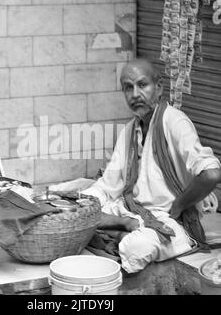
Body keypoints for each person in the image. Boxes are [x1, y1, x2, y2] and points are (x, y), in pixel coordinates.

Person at [83, 58, 221, 273]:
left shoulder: (174, 121)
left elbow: (211, 174)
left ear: (159, 88)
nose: (135, 94)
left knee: (137, 247)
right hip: (133, 212)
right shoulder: (130, 130)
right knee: (83, 214)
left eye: (142, 85)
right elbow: (108, 185)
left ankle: (118, 234)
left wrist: (179, 206)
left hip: (170, 220)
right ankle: (123, 229)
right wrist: (82, 202)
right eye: (128, 88)